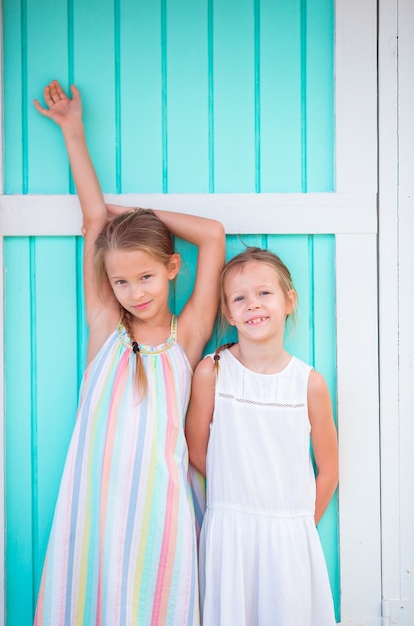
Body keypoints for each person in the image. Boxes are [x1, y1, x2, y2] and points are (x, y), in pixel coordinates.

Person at [33, 80, 225, 626]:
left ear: (171, 269)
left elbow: (212, 235)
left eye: (146, 276)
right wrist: (73, 131)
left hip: (160, 508)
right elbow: (94, 224)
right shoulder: (105, 328)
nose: (135, 291)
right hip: (93, 504)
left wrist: (131, 217)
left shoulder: (185, 339)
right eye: (121, 281)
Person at [185, 247, 339, 626]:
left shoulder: (308, 384)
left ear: (289, 301)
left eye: (264, 293)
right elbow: (197, 451)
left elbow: (329, 471)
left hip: (289, 537)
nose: (253, 304)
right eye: (240, 298)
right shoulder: (213, 373)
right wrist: (237, 492)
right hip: (229, 536)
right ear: (228, 313)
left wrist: (295, 524)